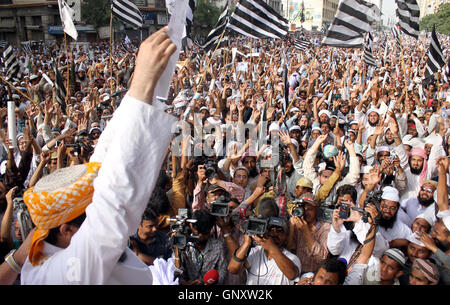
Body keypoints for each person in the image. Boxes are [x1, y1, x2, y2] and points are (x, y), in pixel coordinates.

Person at [20, 26, 177, 284]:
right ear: (67, 230)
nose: (94, 209)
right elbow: (110, 207)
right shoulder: (59, 273)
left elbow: (102, 164)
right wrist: (141, 84)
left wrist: (142, 86)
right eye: (88, 214)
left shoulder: (59, 245)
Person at [173, 209, 228, 285]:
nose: (200, 236)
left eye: (205, 233)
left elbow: (222, 274)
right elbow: (176, 271)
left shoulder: (218, 247)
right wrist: (183, 282)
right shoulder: (182, 244)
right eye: (198, 232)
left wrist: (205, 282)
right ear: (191, 226)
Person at [287, 192, 330, 275]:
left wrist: (306, 231)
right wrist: (292, 228)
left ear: (316, 209)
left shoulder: (325, 227)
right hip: (297, 273)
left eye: (309, 209)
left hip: (314, 275)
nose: (306, 212)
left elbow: (322, 258)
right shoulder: (297, 225)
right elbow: (288, 251)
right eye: (303, 209)